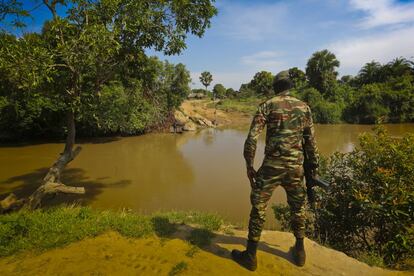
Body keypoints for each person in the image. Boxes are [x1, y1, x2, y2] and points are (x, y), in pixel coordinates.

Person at [231, 70, 319, 271]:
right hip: (296, 167)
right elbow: (311, 142)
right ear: (290, 86)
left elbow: (252, 138)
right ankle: (299, 252)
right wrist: (313, 168)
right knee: (298, 209)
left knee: (259, 208)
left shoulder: (267, 105)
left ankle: (251, 256)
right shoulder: (304, 107)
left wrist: (249, 166)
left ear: (275, 87)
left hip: (271, 167)